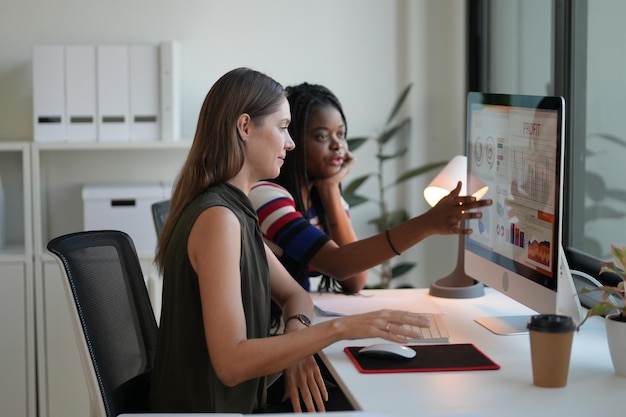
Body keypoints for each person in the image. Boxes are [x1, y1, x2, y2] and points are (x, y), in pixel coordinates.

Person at [149, 67, 441, 414]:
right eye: (283, 127)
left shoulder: (233, 211)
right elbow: (231, 364)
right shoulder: (219, 220)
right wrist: (342, 328)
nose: (290, 143)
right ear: (245, 127)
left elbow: (294, 294)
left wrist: (296, 341)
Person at [249, 82, 492, 296]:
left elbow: (355, 280)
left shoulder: (321, 199)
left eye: (341, 134)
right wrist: (426, 224)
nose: (338, 145)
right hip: (270, 331)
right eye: (322, 137)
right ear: (293, 140)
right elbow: (339, 265)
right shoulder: (266, 197)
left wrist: (330, 189)